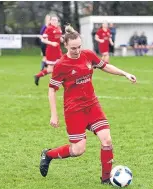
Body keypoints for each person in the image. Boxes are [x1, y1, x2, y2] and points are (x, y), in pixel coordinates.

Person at [39, 25, 137, 185]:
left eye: (79, 47)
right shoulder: (61, 65)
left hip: (92, 106)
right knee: (78, 150)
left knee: (107, 140)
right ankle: (48, 155)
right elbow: (52, 90)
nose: (77, 51)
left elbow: (105, 66)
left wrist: (125, 73)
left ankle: (106, 179)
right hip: (74, 110)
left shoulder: (88, 55)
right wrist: (54, 115)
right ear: (65, 46)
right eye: (73, 48)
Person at [34, 15, 63, 86]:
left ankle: (58, 81)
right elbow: (43, 39)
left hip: (58, 50)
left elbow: (60, 38)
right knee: (51, 69)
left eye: (55, 20)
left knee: (61, 65)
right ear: (50, 21)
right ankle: (38, 76)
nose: (54, 21)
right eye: (52, 20)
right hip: (51, 51)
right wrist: (51, 43)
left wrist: (65, 41)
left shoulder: (59, 28)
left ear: (58, 21)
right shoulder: (49, 28)